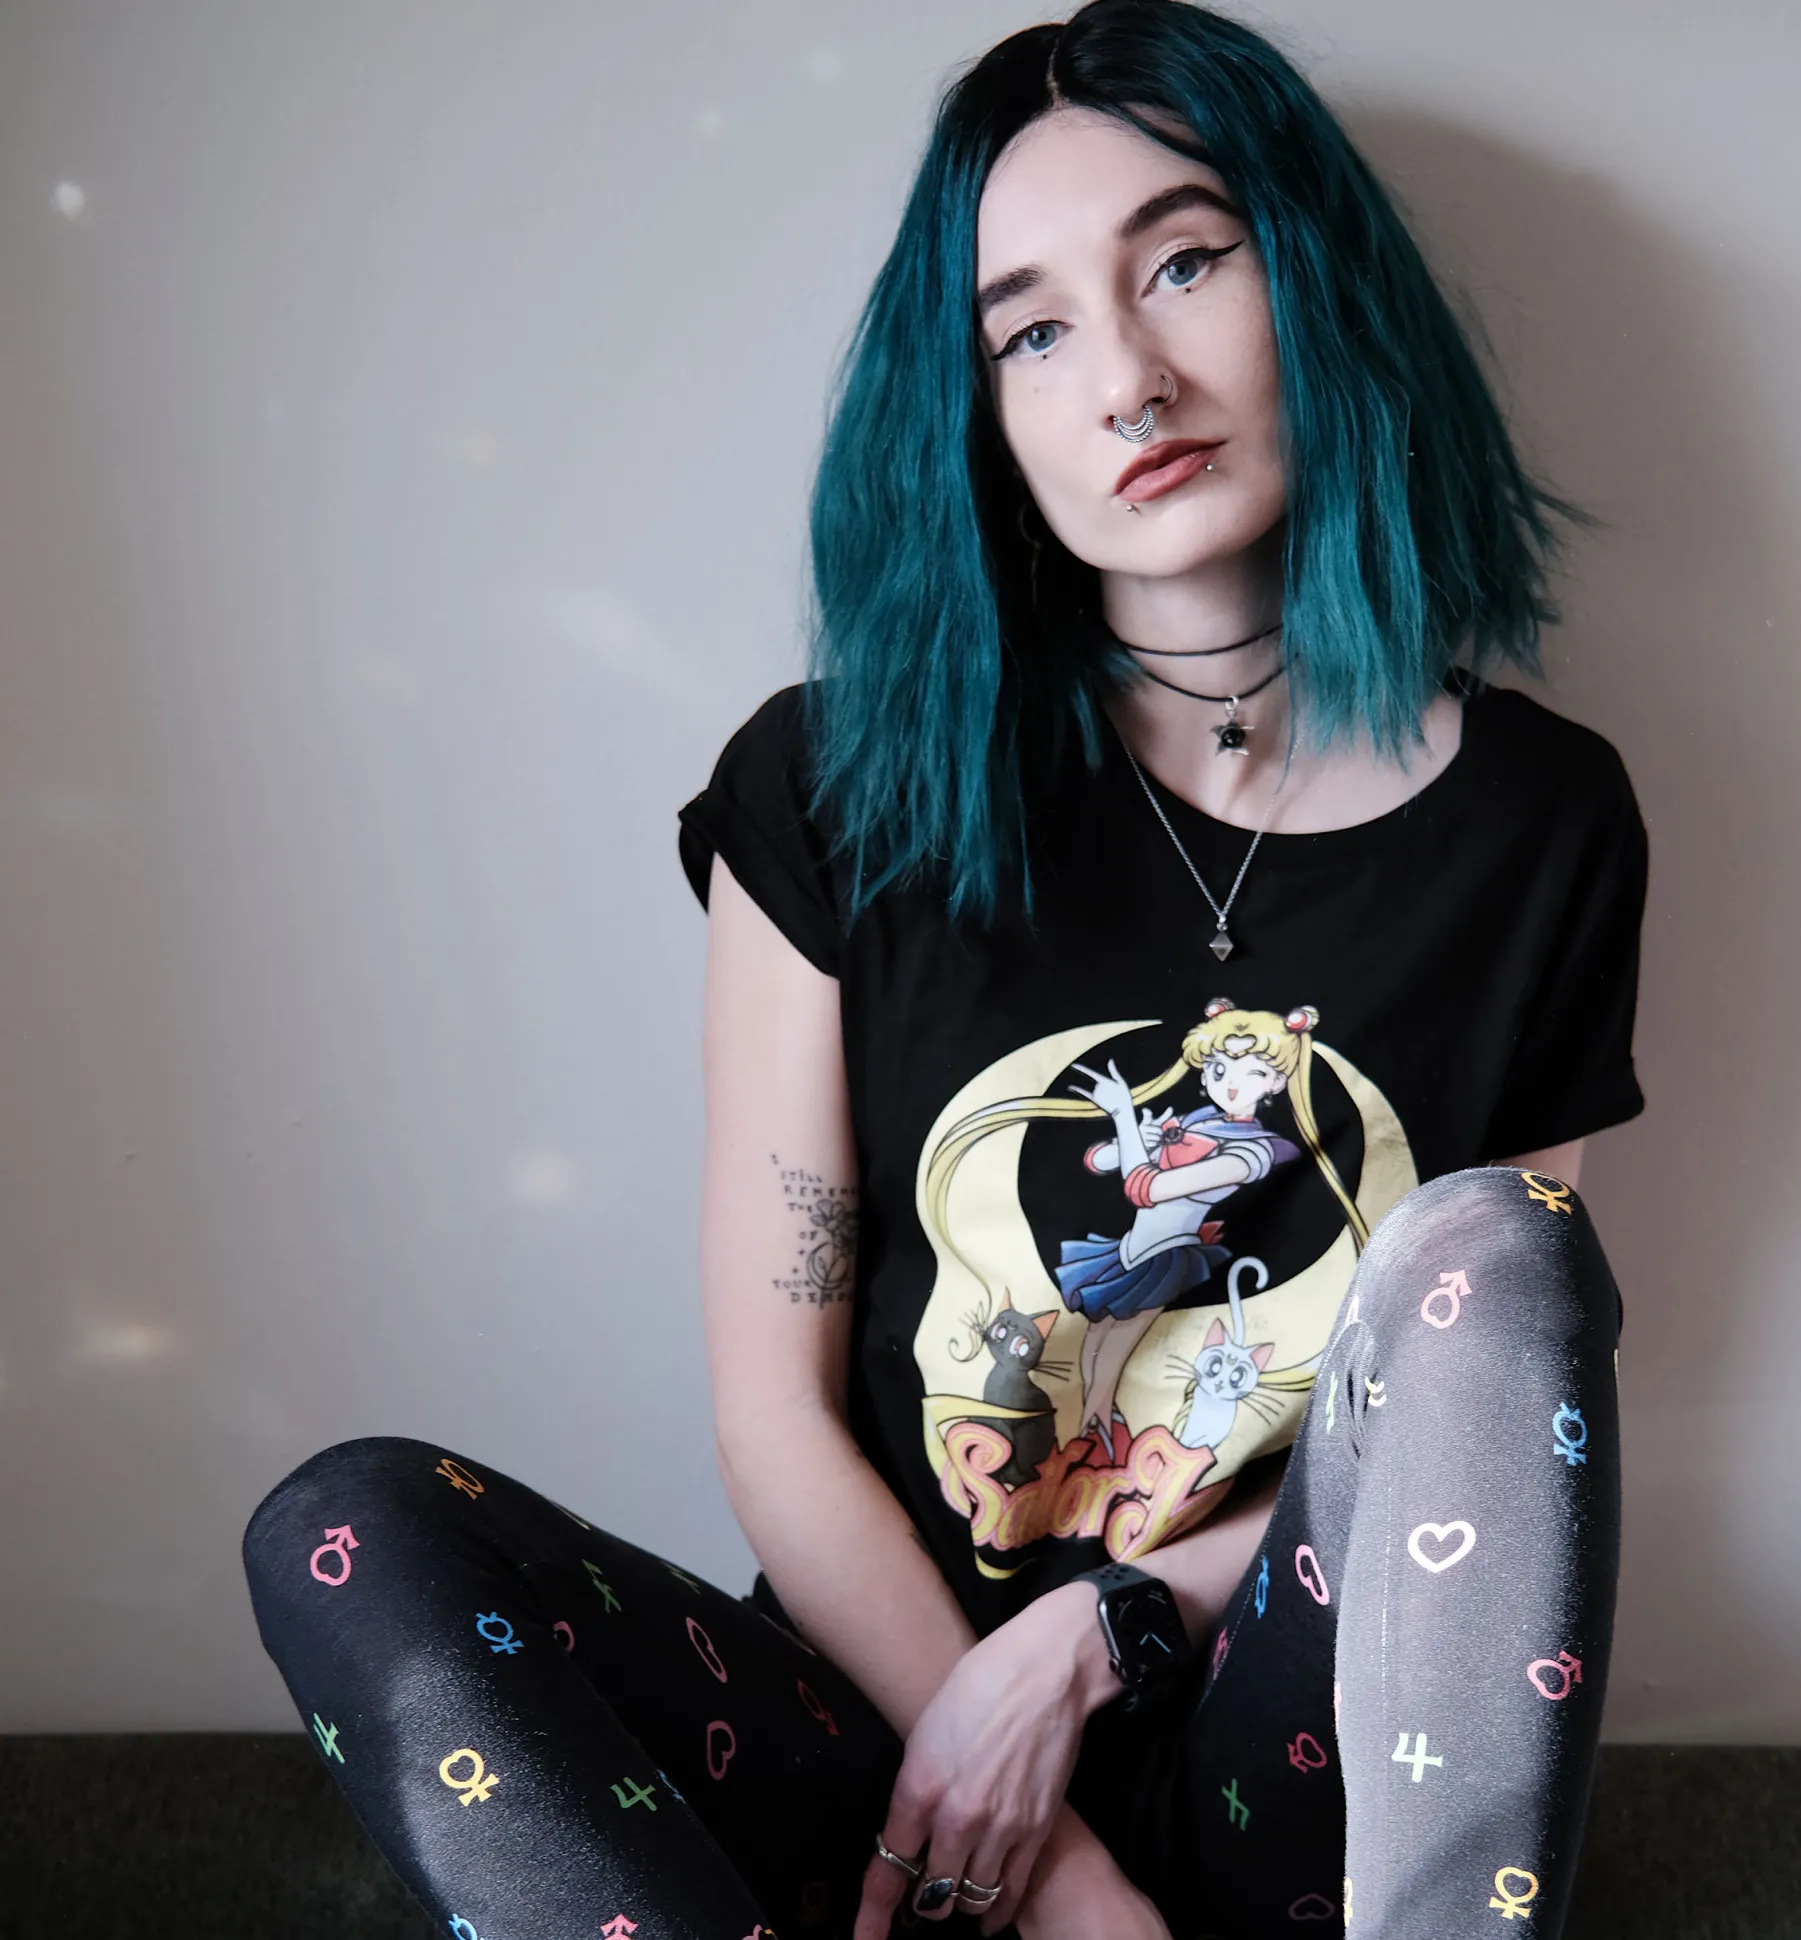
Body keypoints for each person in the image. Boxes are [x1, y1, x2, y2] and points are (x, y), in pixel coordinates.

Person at [240, 4, 1648, 1937]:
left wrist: (1094, 1642)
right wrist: (1040, 1858)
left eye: (1184, 262)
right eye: (1033, 333)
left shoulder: (1543, 825)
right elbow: (777, 1420)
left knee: (1501, 1251)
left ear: (1313, 277)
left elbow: (1468, 1410)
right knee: (347, 1531)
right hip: (884, 1754)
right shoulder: (838, 789)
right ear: (979, 411)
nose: (1130, 379)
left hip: (1299, 1755)